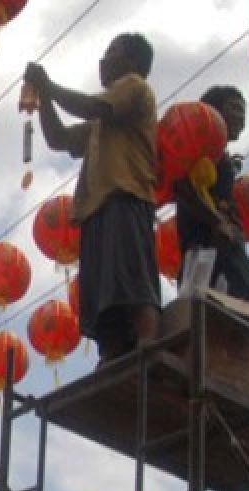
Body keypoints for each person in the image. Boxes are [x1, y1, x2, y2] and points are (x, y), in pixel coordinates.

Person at [25, 34, 161, 365]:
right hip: (97, 207)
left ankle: (148, 343)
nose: (104, 60)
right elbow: (59, 138)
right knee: (104, 294)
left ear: (132, 62)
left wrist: (50, 86)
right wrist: (43, 96)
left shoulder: (134, 87)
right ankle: (112, 354)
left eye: (110, 52)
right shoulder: (102, 125)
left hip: (125, 197)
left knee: (132, 281)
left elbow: (93, 106)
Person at [174, 85, 249, 312]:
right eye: (234, 108)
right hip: (212, 250)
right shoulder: (199, 151)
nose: (241, 118)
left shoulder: (219, 157)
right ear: (212, 111)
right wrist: (217, 222)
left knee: (215, 322)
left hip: (217, 251)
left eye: (244, 113)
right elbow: (183, 186)